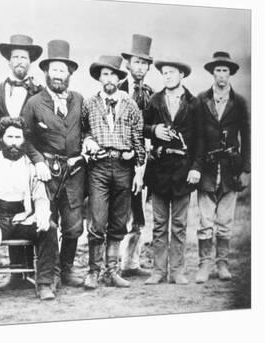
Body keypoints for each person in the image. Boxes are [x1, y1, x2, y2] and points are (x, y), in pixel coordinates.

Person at [0, 117, 59, 307]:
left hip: (23, 217)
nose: (14, 142)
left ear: (24, 140)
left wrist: (41, 215)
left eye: (18, 137)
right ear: (1, 138)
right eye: (10, 137)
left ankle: (45, 284)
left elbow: (40, 197)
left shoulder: (30, 167)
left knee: (50, 229)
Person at [21, 40, 87, 288]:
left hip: (74, 173)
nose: (58, 75)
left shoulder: (79, 100)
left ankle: (67, 270)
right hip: (46, 173)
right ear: (46, 73)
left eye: (63, 71)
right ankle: (53, 273)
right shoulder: (34, 102)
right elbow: (24, 138)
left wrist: (87, 144)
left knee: (73, 227)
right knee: (48, 225)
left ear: (69, 74)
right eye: (54, 70)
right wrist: (38, 161)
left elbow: (89, 130)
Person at [81, 55, 145, 290]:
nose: (109, 79)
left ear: (120, 78)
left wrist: (137, 165)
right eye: (104, 74)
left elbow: (138, 139)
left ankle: (112, 271)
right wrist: (88, 142)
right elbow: (83, 132)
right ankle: (93, 271)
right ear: (99, 78)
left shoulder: (130, 104)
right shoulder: (89, 103)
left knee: (119, 222)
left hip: (123, 168)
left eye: (113, 75)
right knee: (97, 221)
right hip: (98, 167)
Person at [143, 58, 204, 285]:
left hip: (183, 171)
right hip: (159, 170)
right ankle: (158, 270)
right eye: (164, 73)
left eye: (171, 72)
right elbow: (141, 127)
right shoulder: (155, 100)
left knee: (179, 225)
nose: (167, 76)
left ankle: (177, 270)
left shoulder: (194, 103)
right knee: (159, 225)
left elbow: (201, 140)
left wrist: (196, 167)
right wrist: (154, 130)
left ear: (182, 75)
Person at [194, 51, 250, 283]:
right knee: (205, 221)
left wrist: (247, 170)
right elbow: (197, 137)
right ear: (212, 73)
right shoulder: (201, 99)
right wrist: (195, 167)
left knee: (225, 221)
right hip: (207, 169)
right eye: (217, 70)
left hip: (230, 170)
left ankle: (223, 263)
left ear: (231, 74)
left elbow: (247, 137)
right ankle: (204, 264)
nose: (221, 75)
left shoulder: (239, 103)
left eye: (225, 70)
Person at [0, 34, 43, 291]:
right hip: (4, 160)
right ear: (8, 61)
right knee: (8, 209)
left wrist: (38, 161)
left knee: (31, 210)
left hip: (30, 160)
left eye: (24, 57)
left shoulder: (40, 93)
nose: (20, 61)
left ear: (31, 61)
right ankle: (16, 275)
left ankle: (34, 273)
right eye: (15, 57)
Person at [118, 34, 155, 278]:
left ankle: (131, 263)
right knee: (119, 210)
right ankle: (113, 263)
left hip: (143, 161)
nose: (139, 67)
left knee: (138, 210)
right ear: (128, 64)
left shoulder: (152, 94)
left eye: (144, 63)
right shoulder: (116, 89)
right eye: (136, 62)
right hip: (120, 159)